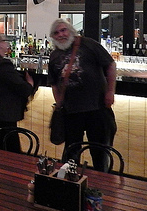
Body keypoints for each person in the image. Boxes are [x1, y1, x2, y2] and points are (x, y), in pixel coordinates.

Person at [48, 19, 117, 172]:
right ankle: (70, 182)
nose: (61, 34)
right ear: (52, 37)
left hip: (97, 108)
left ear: (71, 30)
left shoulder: (89, 44)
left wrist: (110, 91)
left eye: (63, 30)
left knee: (99, 152)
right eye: (56, 33)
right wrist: (59, 103)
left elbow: (111, 65)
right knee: (71, 153)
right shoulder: (54, 55)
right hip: (71, 111)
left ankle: (102, 182)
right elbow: (54, 83)